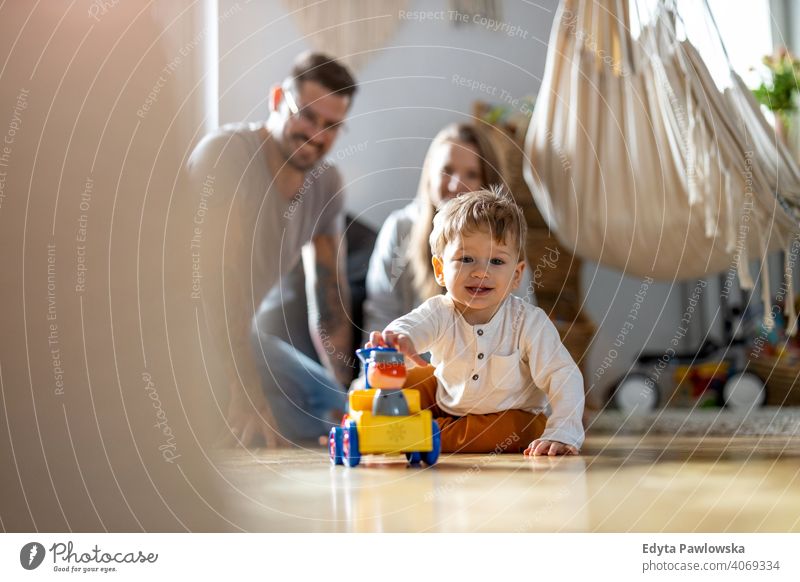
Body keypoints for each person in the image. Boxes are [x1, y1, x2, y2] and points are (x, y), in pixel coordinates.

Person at [186, 52, 357, 447]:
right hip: (184, 330)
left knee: (335, 410)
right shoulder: (225, 156)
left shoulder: (326, 183)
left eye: (332, 126)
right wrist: (244, 395)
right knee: (264, 423)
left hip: (244, 334)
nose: (316, 135)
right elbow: (216, 294)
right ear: (278, 98)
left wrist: (347, 390)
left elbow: (329, 298)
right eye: (307, 116)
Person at [366, 189, 584, 455]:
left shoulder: (528, 323)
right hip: (445, 397)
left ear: (516, 276)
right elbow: (411, 326)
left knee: (515, 429)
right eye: (466, 259)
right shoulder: (440, 311)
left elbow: (563, 376)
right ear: (440, 270)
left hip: (509, 414)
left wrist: (563, 430)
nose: (481, 272)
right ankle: (374, 417)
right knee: (411, 380)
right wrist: (398, 339)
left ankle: (419, 434)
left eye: (496, 261)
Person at [364, 123, 534, 338]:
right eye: (447, 170)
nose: (456, 186)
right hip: (408, 366)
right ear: (429, 173)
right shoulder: (400, 228)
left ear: (488, 183)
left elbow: (522, 322)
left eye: (472, 174)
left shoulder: (506, 239)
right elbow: (380, 315)